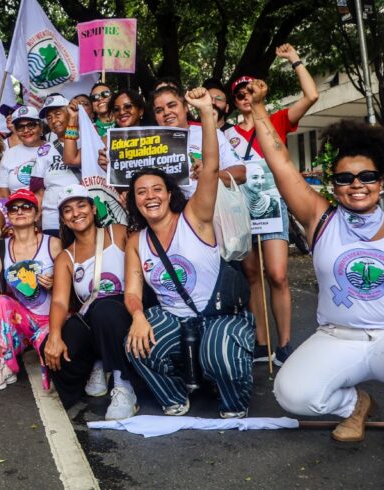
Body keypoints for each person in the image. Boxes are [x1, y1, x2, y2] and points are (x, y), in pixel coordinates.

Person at [245, 79, 384, 471]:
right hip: (337, 337)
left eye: (367, 177)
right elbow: (278, 160)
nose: (356, 185)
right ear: (334, 185)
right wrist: (259, 108)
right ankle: (356, 404)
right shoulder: (319, 217)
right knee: (292, 394)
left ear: (382, 182)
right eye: (344, 179)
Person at [125, 87, 255, 418]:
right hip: (174, 316)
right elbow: (132, 291)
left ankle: (232, 395)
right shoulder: (136, 240)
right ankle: (175, 394)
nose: (150, 197)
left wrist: (206, 113)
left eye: (157, 189)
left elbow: (211, 168)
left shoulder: (195, 216)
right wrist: (138, 316)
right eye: (141, 192)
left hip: (219, 314)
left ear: (170, 194)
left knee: (219, 353)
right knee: (137, 343)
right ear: (135, 201)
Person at [227, 44, 319, 365]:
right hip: (242, 211)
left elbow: (311, 96)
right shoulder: (227, 134)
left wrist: (295, 59)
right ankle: (262, 344)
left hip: (273, 206)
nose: (245, 96)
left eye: (250, 90)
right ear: (234, 100)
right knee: (253, 274)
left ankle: (284, 344)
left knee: (278, 274)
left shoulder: (276, 120)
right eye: (239, 94)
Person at [42, 185, 138, 420]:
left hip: (125, 308)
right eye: (68, 210)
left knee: (105, 310)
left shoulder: (117, 232)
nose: (76, 213)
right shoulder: (66, 256)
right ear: (63, 220)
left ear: (94, 209)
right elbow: (60, 302)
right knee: (57, 346)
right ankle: (97, 361)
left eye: (81, 205)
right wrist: (54, 336)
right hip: (93, 318)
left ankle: (123, 385)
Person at [0, 190, 62, 390]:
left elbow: (70, 285)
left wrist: (55, 283)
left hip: (54, 319)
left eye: (26, 207)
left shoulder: (53, 243)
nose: (19, 211)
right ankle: (7, 364)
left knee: (53, 381)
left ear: (37, 213)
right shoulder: (2, 246)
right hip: (23, 321)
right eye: (13, 209)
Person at [151, 83, 245, 198]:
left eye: (172, 105)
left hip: (214, 211)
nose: (166, 112)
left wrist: (210, 174)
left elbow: (241, 174)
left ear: (185, 107)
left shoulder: (209, 133)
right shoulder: (150, 145)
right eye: (159, 110)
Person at [33, 98, 81, 236]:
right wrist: (36, 219)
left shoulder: (86, 140)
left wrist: (74, 121)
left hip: (83, 214)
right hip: (52, 219)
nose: (53, 121)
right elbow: (38, 190)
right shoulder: (44, 150)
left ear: (70, 112)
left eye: (58, 113)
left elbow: (72, 160)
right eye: (49, 117)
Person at [0, 106, 46, 200]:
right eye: (20, 127)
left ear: (40, 126)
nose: (26, 130)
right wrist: (6, 214)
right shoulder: (8, 155)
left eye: (31, 125)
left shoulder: (53, 149)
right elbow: (2, 196)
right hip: (19, 212)